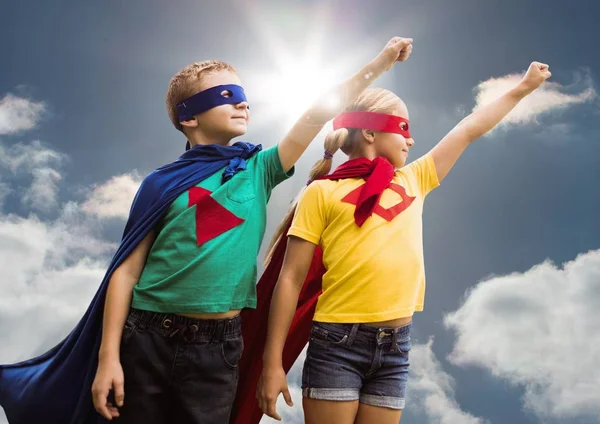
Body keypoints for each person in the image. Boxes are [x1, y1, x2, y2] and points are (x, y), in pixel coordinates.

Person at [0, 37, 414, 424]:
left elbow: (317, 112)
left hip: (219, 349)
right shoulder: (160, 184)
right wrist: (109, 358)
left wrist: (378, 65)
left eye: (244, 98)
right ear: (189, 116)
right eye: (226, 96)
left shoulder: (260, 168)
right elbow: (125, 272)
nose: (242, 105)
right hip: (147, 339)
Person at [257, 62, 551, 424]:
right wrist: (272, 365)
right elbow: (290, 277)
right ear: (369, 132)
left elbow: (468, 129)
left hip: (396, 347)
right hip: (336, 345)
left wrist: (523, 88)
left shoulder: (415, 179)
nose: (411, 140)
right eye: (403, 128)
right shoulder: (322, 192)